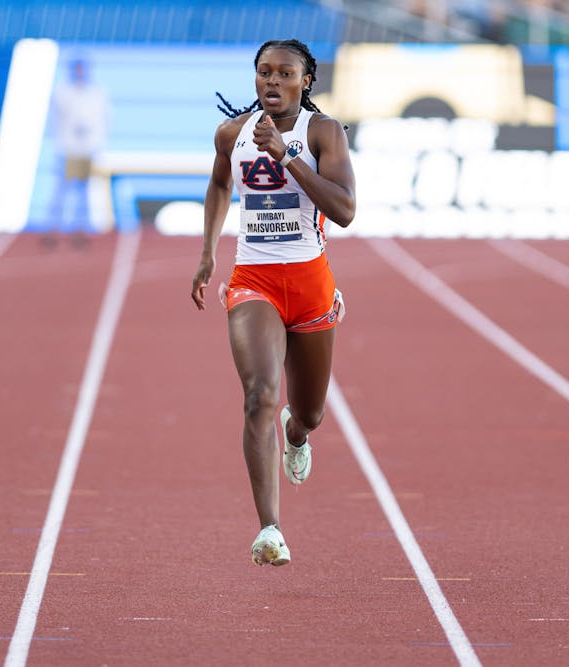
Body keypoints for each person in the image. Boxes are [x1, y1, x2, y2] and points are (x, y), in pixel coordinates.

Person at [190, 39, 355, 567]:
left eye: (285, 73)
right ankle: (270, 529)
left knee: (308, 411)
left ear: (306, 81)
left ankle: (296, 433)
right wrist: (207, 254)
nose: (272, 81)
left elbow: (346, 209)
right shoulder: (231, 134)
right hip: (252, 280)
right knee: (259, 393)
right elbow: (219, 186)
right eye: (264, 72)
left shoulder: (323, 133)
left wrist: (287, 156)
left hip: (310, 284)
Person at [44, 56, 109, 246]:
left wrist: (96, 143)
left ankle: (80, 229)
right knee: (61, 190)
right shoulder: (62, 92)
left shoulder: (97, 93)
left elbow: (103, 119)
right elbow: (55, 120)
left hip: (88, 149)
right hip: (68, 147)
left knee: (83, 192)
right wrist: (60, 143)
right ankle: (53, 229)